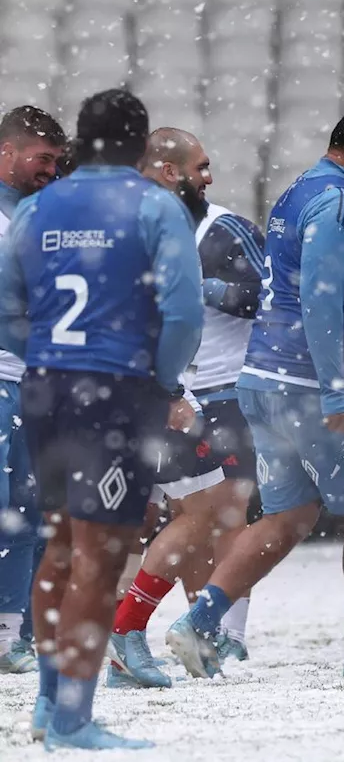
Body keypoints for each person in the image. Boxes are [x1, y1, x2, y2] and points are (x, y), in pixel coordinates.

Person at [166, 102, 344, 678]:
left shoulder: (299, 189)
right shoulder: (342, 202)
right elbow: (318, 297)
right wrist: (336, 390)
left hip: (262, 379)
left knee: (286, 518)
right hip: (313, 385)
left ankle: (199, 621)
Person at [0, 89, 203, 749]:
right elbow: (182, 314)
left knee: (59, 544)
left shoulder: (34, 210)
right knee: (101, 552)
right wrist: (160, 381)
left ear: (81, 141)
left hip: (43, 388)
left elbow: (7, 302)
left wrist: (46, 353)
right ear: (140, 148)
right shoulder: (153, 205)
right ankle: (73, 719)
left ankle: (47, 702)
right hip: (114, 391)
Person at [107, 128, 265, 688]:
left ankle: (197, 630)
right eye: (199, 166)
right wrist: (169, 391)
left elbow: (264, 295)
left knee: (205, 511)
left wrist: (211, 291)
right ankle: (130, 636)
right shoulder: (146, 223)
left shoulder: (199, 225)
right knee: (208, 513)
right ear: (169, 171)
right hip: (163, 392)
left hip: (172, 390)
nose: (209, 176)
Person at [0, 106, 65, 674]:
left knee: (32, 513)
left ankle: (14, 632)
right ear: (6, 152)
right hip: (5, 379)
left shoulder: (43, 213)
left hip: (34, 382)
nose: (50, 169)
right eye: (41, 158)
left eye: (56, 161)